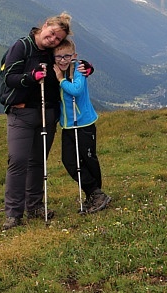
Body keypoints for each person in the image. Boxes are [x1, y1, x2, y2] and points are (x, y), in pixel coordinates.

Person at [0, 13, 72, 231]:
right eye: (52, 35)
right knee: (18, 161)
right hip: (21, 114)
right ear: (45, 26)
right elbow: (9, 78)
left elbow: (68, 60)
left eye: (58, 39)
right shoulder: (22, 47)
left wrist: (85, 67)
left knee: (38, 161)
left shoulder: (53, 53)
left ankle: (35, 205)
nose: (53, 40)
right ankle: (13, 213)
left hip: (47, 113)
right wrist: (31, 77)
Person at [53, 38, 111, 214]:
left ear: (74, 56)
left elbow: (77, 90)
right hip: (68, 125)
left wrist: (61, 80)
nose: (63, 60)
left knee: (88, 159)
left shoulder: (78, 69)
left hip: (83, 123)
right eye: (59, 57)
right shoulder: (56, 69)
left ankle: (95, 194)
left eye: (67, 56)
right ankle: (94, 192)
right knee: (69, 160)